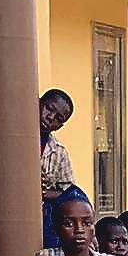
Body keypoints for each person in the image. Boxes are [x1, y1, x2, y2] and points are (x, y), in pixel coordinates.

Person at [37, 91, 82, 246]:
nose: (50, 118)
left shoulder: (58, 152)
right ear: (38, 103)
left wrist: (42, 193)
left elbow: (69, 191)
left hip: (42, 216)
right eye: (49, 109)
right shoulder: (12, 132)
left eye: (58, 118)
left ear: (60, 126)